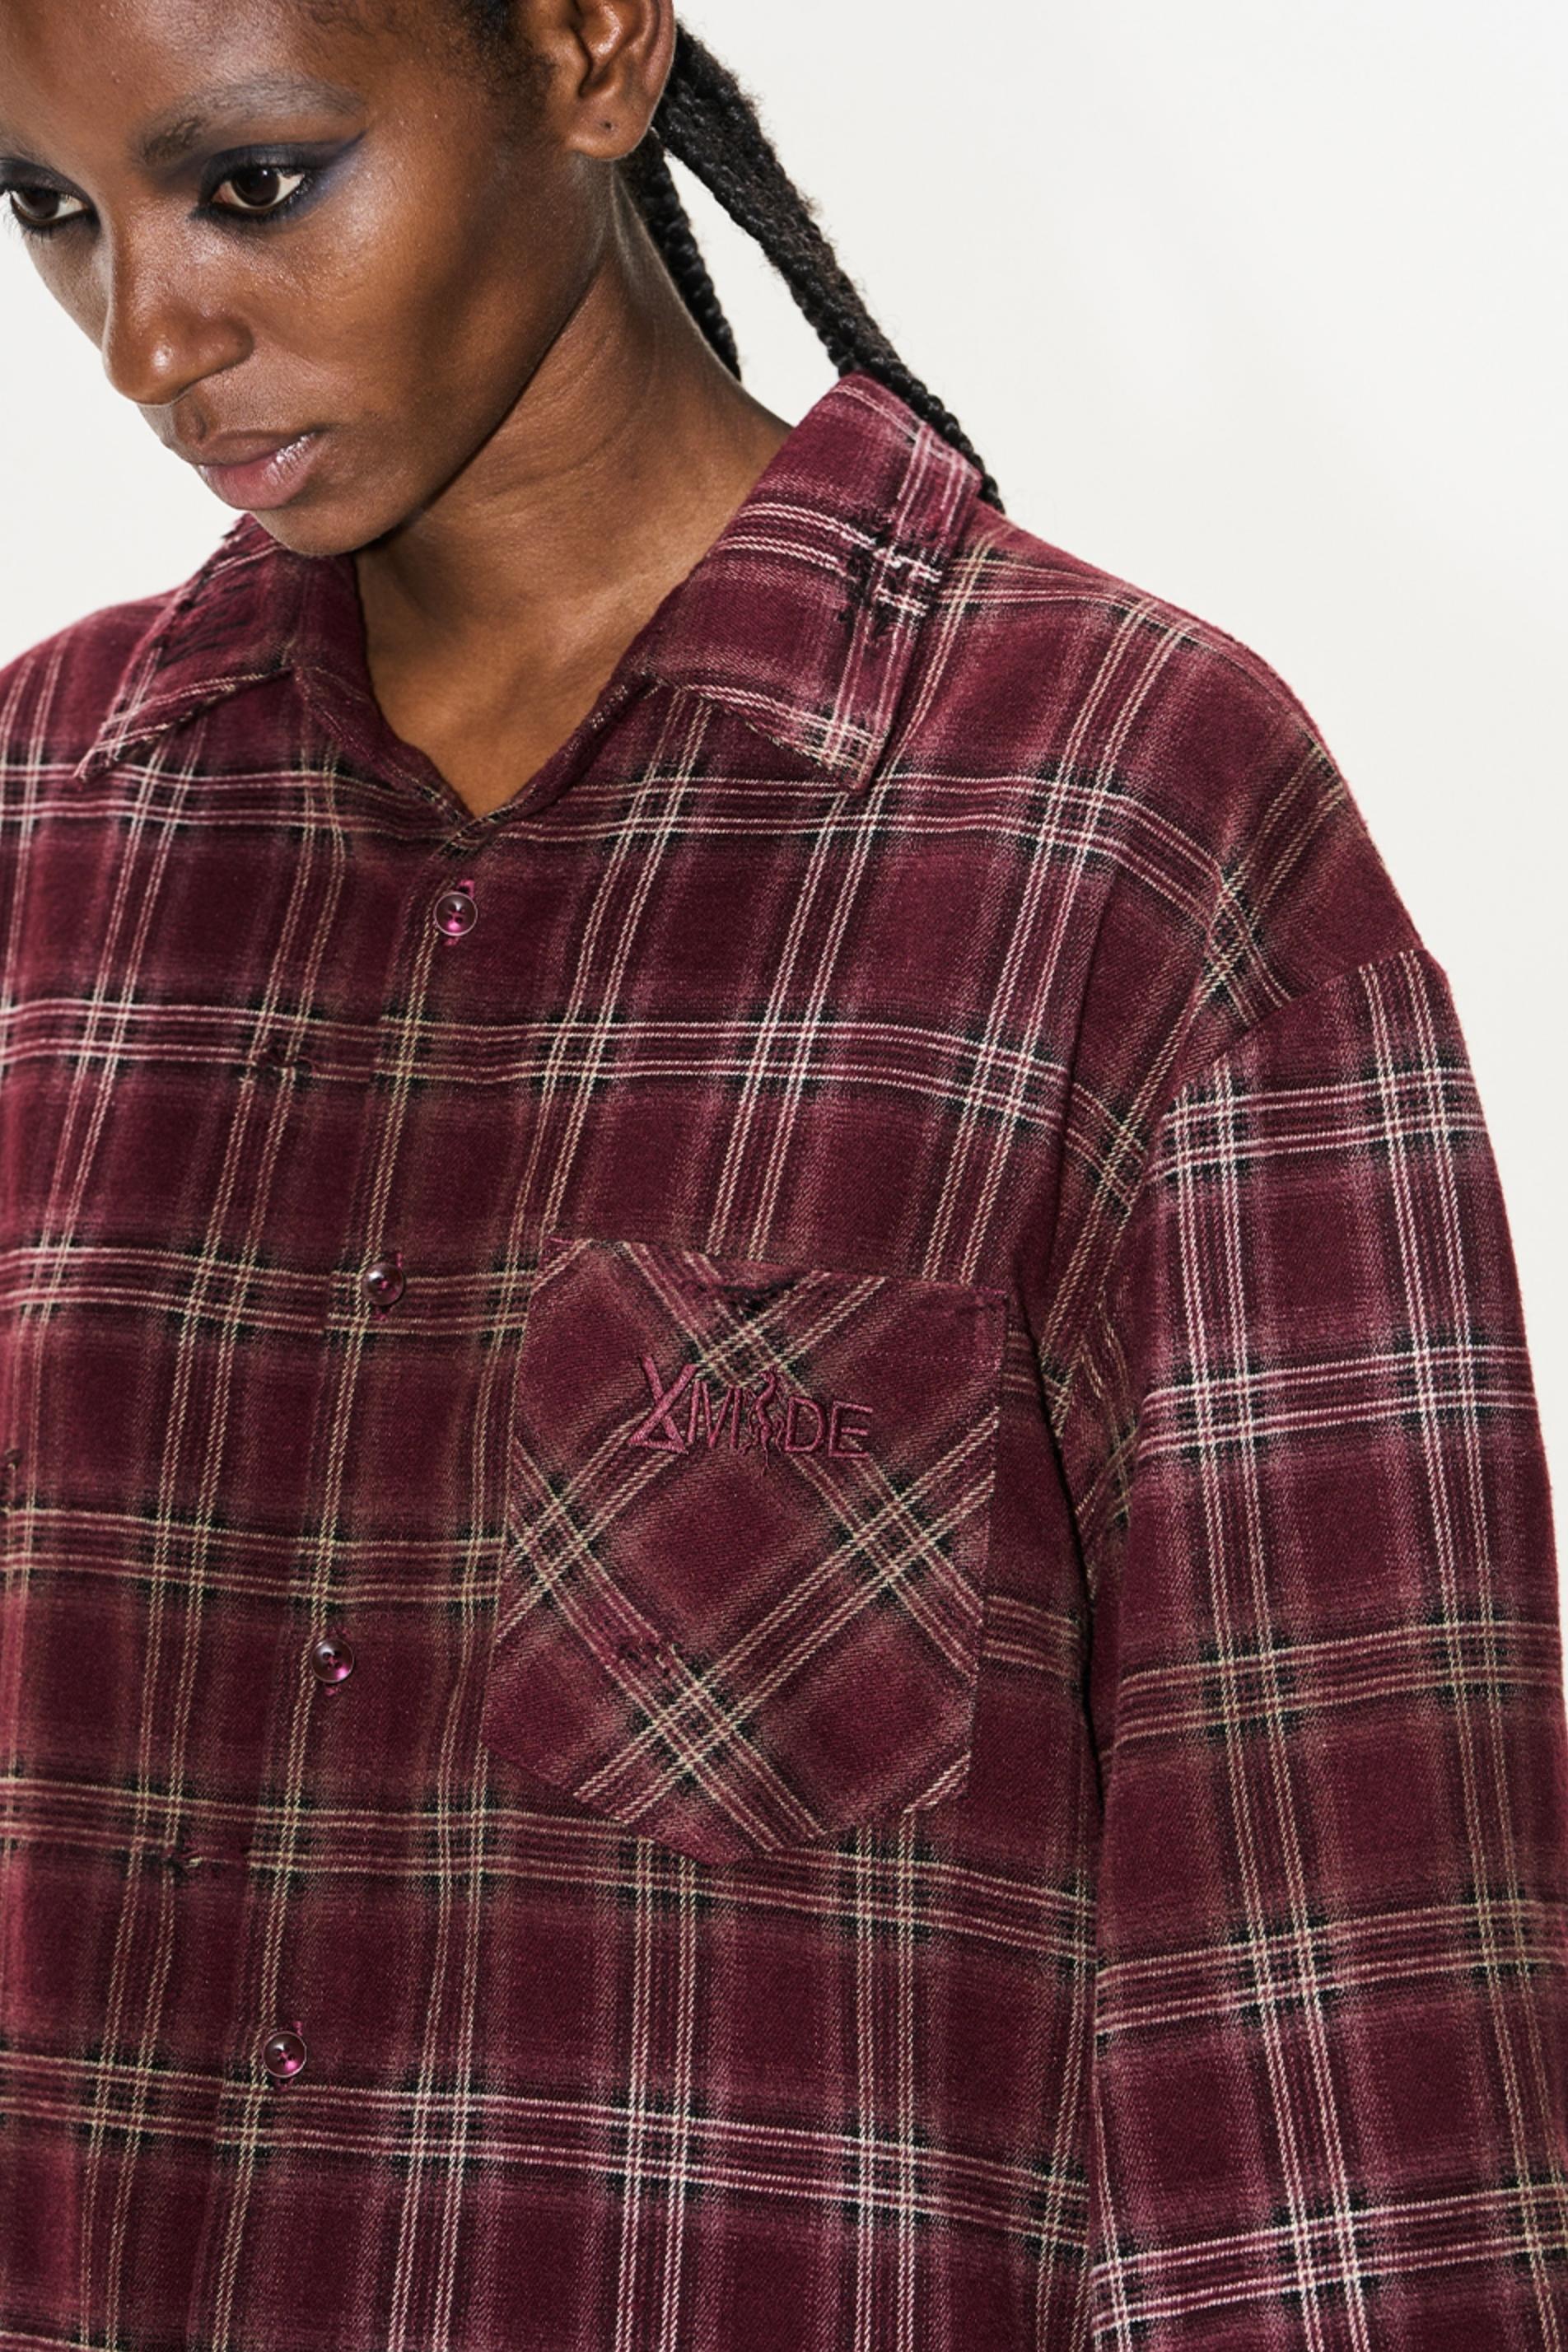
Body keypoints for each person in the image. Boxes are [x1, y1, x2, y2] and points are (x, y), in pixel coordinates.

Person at [0, 1, 1563, 2345]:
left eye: (254, 184)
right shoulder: (44, 821)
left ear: (587, 50)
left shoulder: (1125, 823)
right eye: (49, 211)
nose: (148, 339)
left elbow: (1347, 2012)